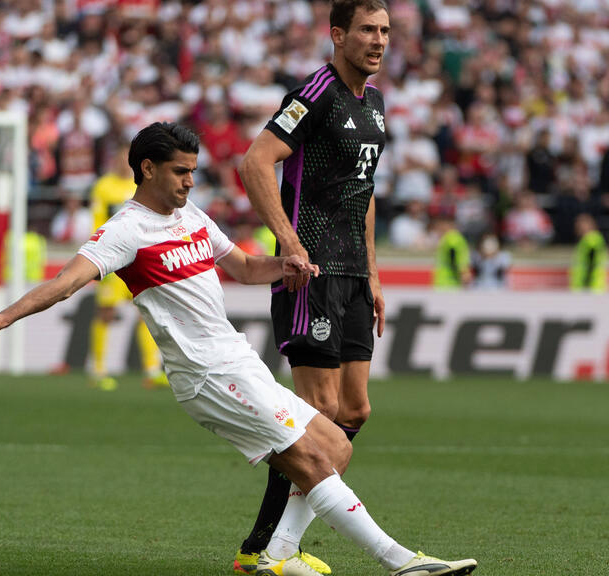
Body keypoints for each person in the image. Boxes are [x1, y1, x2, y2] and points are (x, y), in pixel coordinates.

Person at [0, 122, 477, 576]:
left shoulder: (194, 217)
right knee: (315, 460)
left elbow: (245, 268)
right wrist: (4, 316)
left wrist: (286, 264)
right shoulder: (125, 232)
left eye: (193, 171)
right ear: (147, 169)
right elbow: (65, 281)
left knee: (337, 445)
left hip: (234, 359)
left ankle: (276, 554)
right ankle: (400, 562)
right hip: (206, 373)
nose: (190, 181)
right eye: (180, 171)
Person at [235, 2, 390, 573]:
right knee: (316, 411)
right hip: (313, 274)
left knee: (353, 409)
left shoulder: (374, 104)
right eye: (368, 30)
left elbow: (364, 191)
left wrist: (373, 273)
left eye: (385, 31)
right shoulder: (315, 94)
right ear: (337, 35)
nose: (378, 41)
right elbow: (255, 163)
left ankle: (272, 547)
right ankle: (263, 549)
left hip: (352, 275)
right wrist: (290, 244)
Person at [88, 141, 166, 390]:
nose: (122, 162)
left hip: (140, 259)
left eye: (126, 158)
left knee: (147, 313)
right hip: (113, 258)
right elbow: (97, 222)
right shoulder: (103, 187)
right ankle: (99, 371)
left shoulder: (140, 185)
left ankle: (151, 371)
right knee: (106, 313)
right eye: (119, 158)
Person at [432, 209, 472, 289]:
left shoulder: (453, 239)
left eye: (439, 223)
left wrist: (464, 276)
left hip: (450, 284)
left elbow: (457, 260)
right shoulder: (448, 238)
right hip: (446, 284)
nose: (437, 226)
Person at [569, 213, 607, 293]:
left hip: (590, 287)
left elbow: (591, 264)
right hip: (589, 287)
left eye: (581, 224)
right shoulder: (586, 240)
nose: (578, 227)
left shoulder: (592, 240)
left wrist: (586, 283)